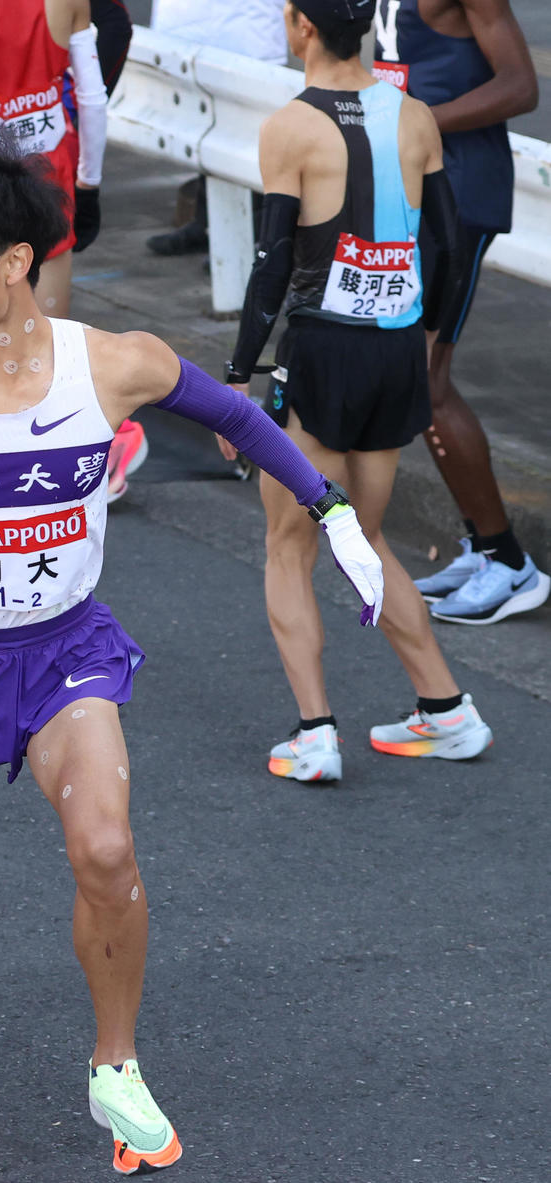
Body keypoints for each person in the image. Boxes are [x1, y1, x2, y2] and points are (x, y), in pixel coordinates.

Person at [0, 132, 384, 1174]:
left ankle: (115, 1065)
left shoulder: (112, 363)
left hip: (67, 651)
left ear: (14, 263)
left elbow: (236, 413)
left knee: (106, 847)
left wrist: (328, 507)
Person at [220, 0, 493, 781]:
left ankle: (315, 735)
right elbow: (443, 239)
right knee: (364, 538)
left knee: (288, 546)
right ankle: (446, 710)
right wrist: (431, 336)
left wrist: (239, 375)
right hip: (395, 353)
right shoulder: (414, 117)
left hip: (322, 356)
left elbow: (273, 265)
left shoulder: (291, 127)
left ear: (303, 25)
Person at [0, 0, 148, 502]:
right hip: (50, 189)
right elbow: (92, 100)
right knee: (50, 354)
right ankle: (60, 498)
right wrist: (90, 187)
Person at [372, 0, 546, 625]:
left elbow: (521, 86)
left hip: (458, 192)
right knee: (414, 377)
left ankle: (508, 562)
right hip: (412, 184)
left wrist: (418, 122)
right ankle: (482, 547)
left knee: (427, 379)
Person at [144, 0, 289, 257]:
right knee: (210, 133)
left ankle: (251, 237)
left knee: (253, 145)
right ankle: (206, 224)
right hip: (199, 32)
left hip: (248, 35)